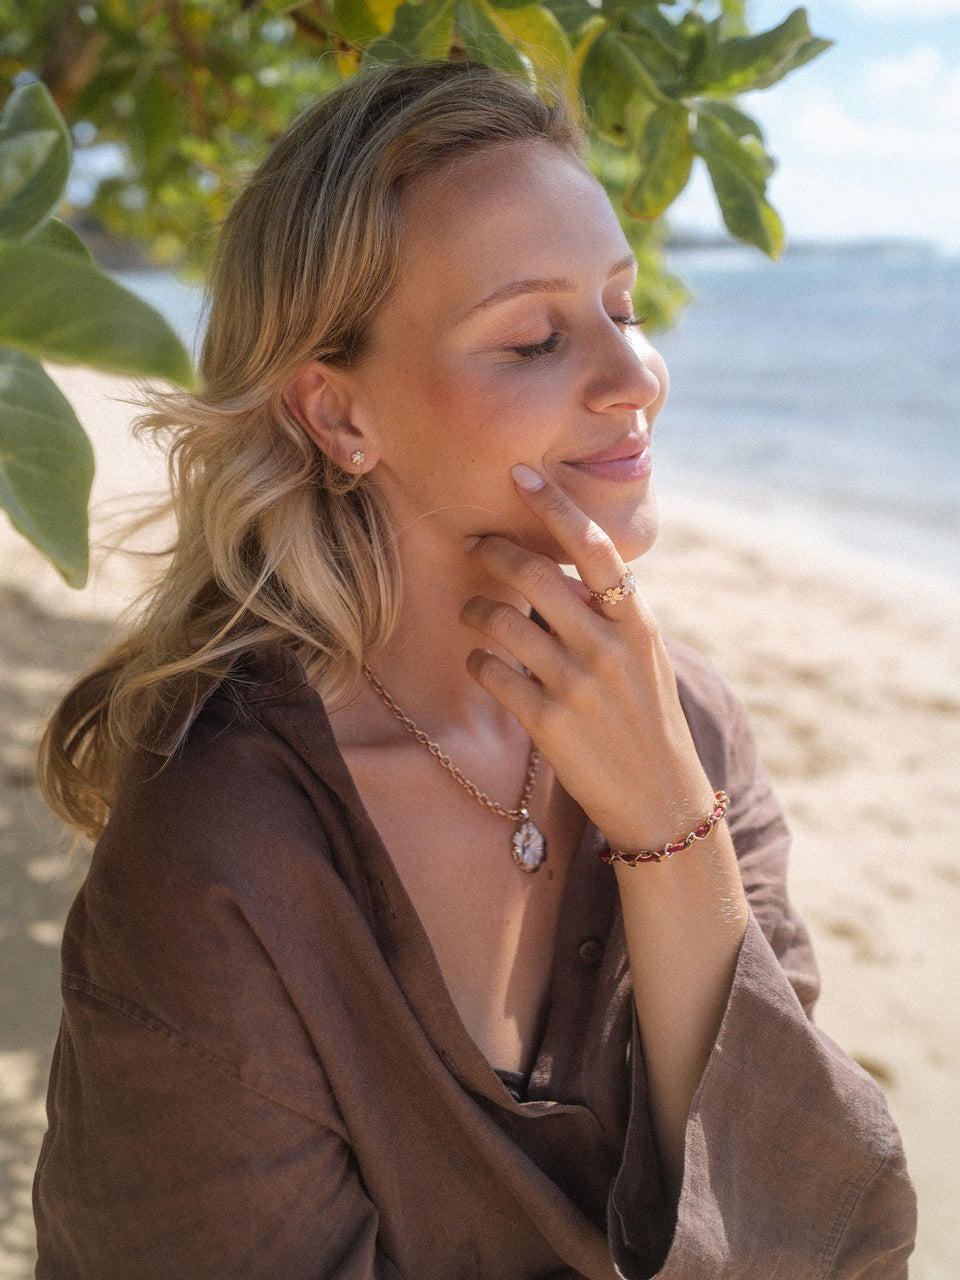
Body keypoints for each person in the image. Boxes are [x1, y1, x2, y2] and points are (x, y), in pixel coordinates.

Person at [33, 59, 915, 1278]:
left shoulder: (688, 728)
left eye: (624, 306)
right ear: (337, 415)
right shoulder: (223, 844)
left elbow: (818, 1227)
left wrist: (672, 828)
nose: (638, 377)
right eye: (536, 337)